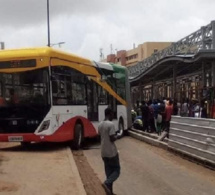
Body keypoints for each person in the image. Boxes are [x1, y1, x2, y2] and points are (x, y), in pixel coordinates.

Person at [98, 108, 120, 195]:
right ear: (109, 114)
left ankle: (109, 192)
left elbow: (100, 135)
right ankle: (106, 183)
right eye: (112, 114)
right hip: (111, 152)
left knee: (109, 173)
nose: (113, 116)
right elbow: (112, 138)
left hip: (103, 152)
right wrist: (117, 136)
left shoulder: (100, 124)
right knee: (117, 170)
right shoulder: (110, 124)